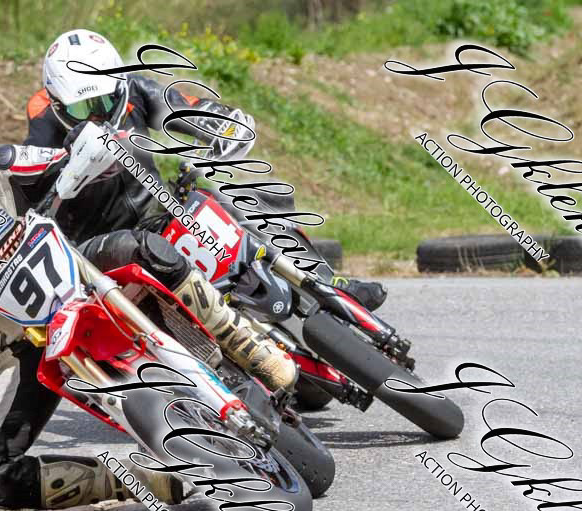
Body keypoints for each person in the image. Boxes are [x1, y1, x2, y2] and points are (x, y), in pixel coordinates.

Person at [0, 109, 295, 511]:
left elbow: (67, 159)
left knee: (142, 248)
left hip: (82, 272)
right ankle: (143, 482)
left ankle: (241, 339)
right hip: (25, 342)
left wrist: (86, 150)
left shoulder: (2, 167)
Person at [25, 28, 388, 311]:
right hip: (99, 246)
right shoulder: (43, 120)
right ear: (57, 103)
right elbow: (31, 192)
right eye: (81, 110)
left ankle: (325, 283)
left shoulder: (133, 89)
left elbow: (187, 110)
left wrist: (222, 125)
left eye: (104, 102)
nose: (97, 116)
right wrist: (66, 169)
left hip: (158, 215)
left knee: (242, 198)